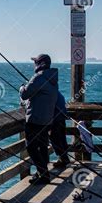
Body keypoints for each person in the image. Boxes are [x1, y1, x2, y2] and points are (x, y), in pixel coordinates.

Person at [20, 54, 58, 185]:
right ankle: (41, 173)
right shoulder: (53, 78)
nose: (34, 65)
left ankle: (44, 173)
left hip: (35, 119)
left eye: (35, 62)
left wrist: (22, 88)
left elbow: (25, 94)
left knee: (31, 148)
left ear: (40, 64)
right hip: (47, 119)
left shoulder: (38, 77)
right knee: (42, 146)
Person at [50, 91, 71, 168]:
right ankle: (64, 158)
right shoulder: (58, 93)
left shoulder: (49, 92)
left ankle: (63, 159)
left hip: (55, 119)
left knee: (55, 139)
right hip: (61, 117)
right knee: (62, 139)